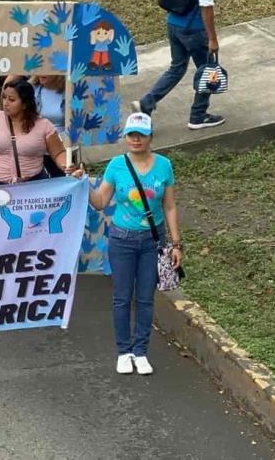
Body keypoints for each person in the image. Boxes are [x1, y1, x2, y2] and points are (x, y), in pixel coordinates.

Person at [77, 112, 183, 375]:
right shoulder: (116, 165)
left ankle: (141, 351)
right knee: (122, 298)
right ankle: (124, 351)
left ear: (150, 136)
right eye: (131, 134)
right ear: (125, 137)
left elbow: (169, 206)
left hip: (153, 241)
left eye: (141, 134)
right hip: (122, 239)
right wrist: (82, 183)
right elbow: (100, 202)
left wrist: (177, 243)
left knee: (146, 298)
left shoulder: (164, 166)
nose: (136, 139)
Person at [133, 0, 224, 130]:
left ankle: (146, 103)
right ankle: (198, 116)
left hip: (173, 23)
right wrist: (212, 37)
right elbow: (206, 6)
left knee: (177, 67)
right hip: (194, 29)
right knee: (207, 71)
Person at [0, 79, 68, 185]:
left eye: (11, 100)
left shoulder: (43, 125)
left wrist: (67, 166)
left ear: (25, 104)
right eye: (4, 98)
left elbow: (58, 153)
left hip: (33, 187)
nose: (5, 103)